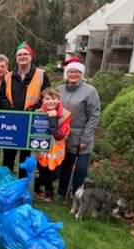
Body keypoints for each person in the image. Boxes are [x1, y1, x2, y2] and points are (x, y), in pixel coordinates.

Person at [3, 41, 51, 178]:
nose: (22, 57)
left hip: (31, 122)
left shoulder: (42, 75)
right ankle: (8, 184)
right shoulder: (9, 76)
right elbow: (2, 97)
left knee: (26, 157)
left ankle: (23, 185)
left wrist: (31, 110)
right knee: (8, 155)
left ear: (31, 56)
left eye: (25, 54)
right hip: (12, 122)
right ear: (16, 58)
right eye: (19, 55)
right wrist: (11, 109)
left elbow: (46, 98)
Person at [55, 61, 101, 200]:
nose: (73, 74)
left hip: (82, 137)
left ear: (81, 74)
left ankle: (77, 195)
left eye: (77, 72)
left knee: (80, 169)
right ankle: (62, 192)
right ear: (66, 74)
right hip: (64, 136)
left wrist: (85, 138)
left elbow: (94, 115)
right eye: (70, 71)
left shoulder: (90, 91)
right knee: (65, 167)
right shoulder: (59, 89)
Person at [34, 87, 72, 202]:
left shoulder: (66, 115)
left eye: (54, 98)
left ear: (58, 99)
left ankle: (35, 184)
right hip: (42, 150)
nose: (51, 101)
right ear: (43, 101)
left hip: (56, 150)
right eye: (47, 99)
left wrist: (53, 119)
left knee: (54, 174)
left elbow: (59, 135)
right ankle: (49, 191)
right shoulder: (38, 113)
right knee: (44, 170)